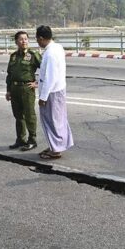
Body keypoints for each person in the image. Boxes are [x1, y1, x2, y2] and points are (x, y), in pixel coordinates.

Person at [36, 25, 73, 159]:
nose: (37, 42)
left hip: (52, 92)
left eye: (37, 39)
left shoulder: (50, 53)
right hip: (59, 90)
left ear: (41, 38)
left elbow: (50, 77)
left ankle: (56, 150)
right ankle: (55, 145)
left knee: (51, 121)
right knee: (59, 119)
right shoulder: (57, 47)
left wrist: (43, 97)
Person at [6, 31, 42, 152]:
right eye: (21, 39)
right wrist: (8, 91)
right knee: (18, 116)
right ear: (16, 41)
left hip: (27, 89)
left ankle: (32, 140)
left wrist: (38, 83)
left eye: (26, 39)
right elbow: (9, 74)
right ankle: (20, 139)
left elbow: (46, 68)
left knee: (29, 115)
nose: (24, 41)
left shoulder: (33, 55)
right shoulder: (13, 56)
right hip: (14, 88)